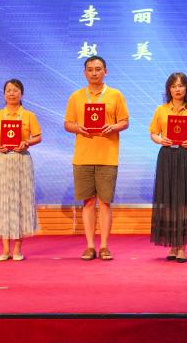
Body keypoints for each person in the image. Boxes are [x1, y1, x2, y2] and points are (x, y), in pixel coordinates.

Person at [63, 56, 129, 261]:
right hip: (83, 156)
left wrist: (113, 127)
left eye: (98, 69)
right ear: (85, 73)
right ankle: (90, 246)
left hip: (107, 156)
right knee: (88, 202)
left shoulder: (115, 95)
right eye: (90, 69)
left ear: (105, 72)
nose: (94, 73)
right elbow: (67, 124)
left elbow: (125, 122)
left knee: (105, 202)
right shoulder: (76, 96)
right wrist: (78, 128)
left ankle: (105, 246)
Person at [148, 72, 187, 263]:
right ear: (169, 89)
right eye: (173, 86)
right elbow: (153, 133)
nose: (177, 89)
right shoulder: (161, 110)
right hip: (166, 156)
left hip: (185, 156)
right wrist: (160, 140)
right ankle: (172, 245)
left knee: (183, 200)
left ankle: (181, 247)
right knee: (168, 200)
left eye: (181, 85)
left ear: (186, 88)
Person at [0, 79, 42, 261]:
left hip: (22, 161)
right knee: (3, 202)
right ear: (4, 94)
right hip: (3, 161)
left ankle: (17, 249)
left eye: (15, 90)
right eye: (8, 90)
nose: (11, 93)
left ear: (21, 94)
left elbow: (38, 137)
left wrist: (27, 142)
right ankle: (5, 250)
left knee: (20, 202)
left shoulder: (29, 115)